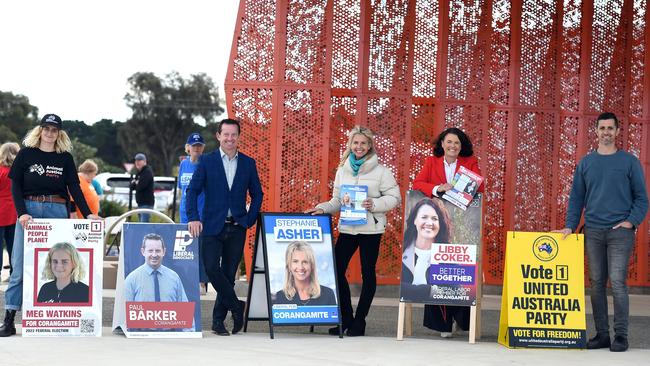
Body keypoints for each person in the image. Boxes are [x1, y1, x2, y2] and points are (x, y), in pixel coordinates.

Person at [553, 112, 648, 352]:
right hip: (593, 231)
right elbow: (576, 199)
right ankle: (603, 335)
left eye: (610, 128)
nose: (606, 132)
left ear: (617, 132)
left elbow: (641, 199)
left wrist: (631, 222)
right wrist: (570, 226)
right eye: (602, 128)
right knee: (596, 284)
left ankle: (621, 336)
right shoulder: (586, 163)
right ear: (595, 131)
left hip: (620, 233)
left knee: (617, 283)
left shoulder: (629, 162)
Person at [0, 114, 100, 337]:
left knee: (58, 264)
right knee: (18, 265)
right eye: (46, 128)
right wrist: (22, 213)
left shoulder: (64, 158)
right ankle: (9, 319)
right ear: (40, 130)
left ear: (59, 133)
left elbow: (74, 188)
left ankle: (54, 317)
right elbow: (16, 186)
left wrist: (89, 214)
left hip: (56, 212)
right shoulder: (26, 154)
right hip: (29, 212)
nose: (49, 133)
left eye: (54, 130)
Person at [306, 126, 401, 337]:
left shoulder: (382, 172)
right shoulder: (343, 170)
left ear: (369, 146)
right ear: (351, 145)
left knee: (368, 274)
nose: (359, 147)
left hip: (371, 229)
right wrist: (323, 208)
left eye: (363, 143)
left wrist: (374, 204)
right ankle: (346, 318)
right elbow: (338, 200)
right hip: (348, 227)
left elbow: (395, 198)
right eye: (355, 143)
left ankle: (360, 322)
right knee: (336, 270)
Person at [186, 118, 263, 336]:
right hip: (211, 225)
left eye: (233, 135)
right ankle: (237, 307)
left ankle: (218, 322)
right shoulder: (207, 161)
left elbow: (257, 194)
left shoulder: (248, 163)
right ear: (218, 136)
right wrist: (193, 217)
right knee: (211, 269)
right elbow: (192, 191)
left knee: (229, 275)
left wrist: (248, 219)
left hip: (237, 226)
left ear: (239, 137)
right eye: (225, 135)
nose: (230, 139)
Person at [412, 127, 483, 337]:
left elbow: (479, 187)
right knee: (438, 270)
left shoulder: (470, 163)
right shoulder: (431, 162)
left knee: (459, 270)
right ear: (442, 144)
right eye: (449, 142)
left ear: (462, 147)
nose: (453, 146)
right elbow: (418, 184)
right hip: (437, 224)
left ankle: (461, 320)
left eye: (457, 143)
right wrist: (437, 189)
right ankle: (442, 324)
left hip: (463, 223)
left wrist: (464, 189)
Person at [401, 198, 453, 302]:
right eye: (424, 217)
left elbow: (454, 291)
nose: (429, 223)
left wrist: (412, 290)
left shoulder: (449, 254)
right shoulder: (401, 250)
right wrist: (430, 290)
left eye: (434, 219)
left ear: (440, 223)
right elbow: (398, 287)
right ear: (415, 220)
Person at [178, 132, 209, 295]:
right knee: (185, 249)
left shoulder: (205, 164)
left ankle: (202, 282)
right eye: (193, 146)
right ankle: (186, 280)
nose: (196, 148)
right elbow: (181, 189)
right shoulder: (183, 164)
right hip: (184, 213)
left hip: (200, 214)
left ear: (202, 148)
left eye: (199, 146)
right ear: (188, 148)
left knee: (201, 248)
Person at [124, 233, 188, 302]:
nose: (154, 255)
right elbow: (125, 310)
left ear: (164, 251)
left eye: (158, 251)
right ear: (143, 252)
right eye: (150, 251)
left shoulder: (174, 278)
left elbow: (184, 309)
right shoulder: (132, 279)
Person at [273, 241, 336, 306]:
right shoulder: (280, 297)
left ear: (312, 265)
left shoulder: (328, 294)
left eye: (305, 262)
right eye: (295, 261)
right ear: (289, 266)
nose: (300, 267)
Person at [0, 142, 20, 278]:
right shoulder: (19, 172)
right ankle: (15, 275)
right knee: (14, 247)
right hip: (15, 213)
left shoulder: (0, 171)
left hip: (0, 212)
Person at [131, 153, 154, 222]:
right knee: (141, 225)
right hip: (140, 203)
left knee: (144, 226)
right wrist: (136, 183)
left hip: (146, 204)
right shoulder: (139, 173)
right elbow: (131, 187)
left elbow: (141, 186)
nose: (137, 162)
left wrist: (136, 183)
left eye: (139, 161)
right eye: (136, 161)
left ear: (144, 161)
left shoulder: (147, 172)